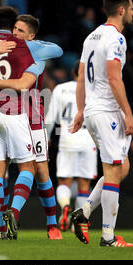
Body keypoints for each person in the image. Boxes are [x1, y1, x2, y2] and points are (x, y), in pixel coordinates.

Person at [0, 6, 62, 240]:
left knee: (41, 172)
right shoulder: (9, 48)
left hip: (31, 116)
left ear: (31, 36)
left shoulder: (34, 52)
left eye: (21, 31)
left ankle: (52, 225)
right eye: (14, 28)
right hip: (11, 113)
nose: (16, 34)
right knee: (5, 170)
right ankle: (6, 223)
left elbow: (50, 56)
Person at [69, 0, 133, 247]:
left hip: (93, 111)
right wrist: (128, 114)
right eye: (131, 8)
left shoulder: (91, 36)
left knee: (122, 167)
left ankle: (84, 212)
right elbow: (113, 77)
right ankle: (108, 237)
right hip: (107, 112)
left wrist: (80, 110)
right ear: (121, 10)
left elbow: (81, 77)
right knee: (112, 170)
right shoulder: (116, 39)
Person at [45, 62, 98, 231]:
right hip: (88, 141)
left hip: (67, 138)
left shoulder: (60, 89)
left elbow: (51, 117)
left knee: (64, 182)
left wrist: (46, 137)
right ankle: (78, 222)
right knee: (84, 185)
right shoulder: (94, 91)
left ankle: (65, 206)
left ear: (73, 72)